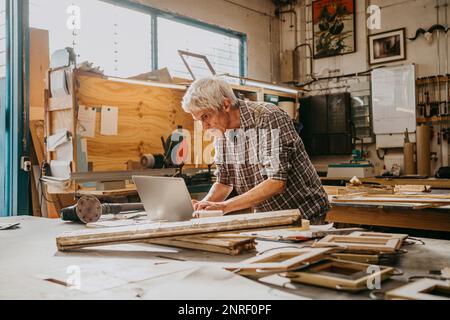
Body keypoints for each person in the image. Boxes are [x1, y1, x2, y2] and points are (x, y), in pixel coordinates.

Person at [181, 77, 330, 224]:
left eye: (205, 116)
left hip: (304, 214)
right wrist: (203, 206)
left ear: (225, 105)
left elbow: (276, 182)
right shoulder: (221, 132)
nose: (204, 126)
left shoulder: (268, 117)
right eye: (198, 120)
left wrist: (223, 206)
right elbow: (224, 182)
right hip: (267, 216)